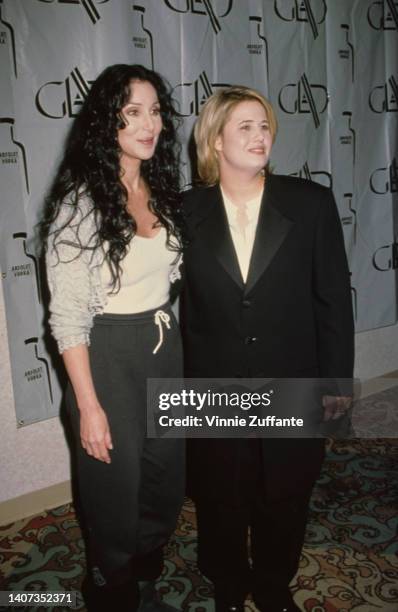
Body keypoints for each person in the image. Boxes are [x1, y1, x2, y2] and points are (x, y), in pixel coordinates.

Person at [180, 86, 354, 612]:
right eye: (246, 127)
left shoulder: (310, 202)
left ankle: (275, 581)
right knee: (221, 496)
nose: (261, 136)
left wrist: (336, 383)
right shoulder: (182, 213)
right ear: (214, 140)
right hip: (213, 384)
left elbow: (332, 300)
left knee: (286, 493)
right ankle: (228, 582)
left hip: (293, 379)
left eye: (265, 126)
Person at [41, 64, 185, 612]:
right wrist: (89, 406)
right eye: (133, 112)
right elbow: (68, 320)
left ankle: (144, 571)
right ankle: (112, 589)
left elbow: (168, 279)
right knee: (113, 489)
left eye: (155, 111)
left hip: (162, 347)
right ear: (107, 122)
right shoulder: (80, 206)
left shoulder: (161, 187)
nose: (149, 124)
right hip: (106, 357)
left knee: (164, 475)